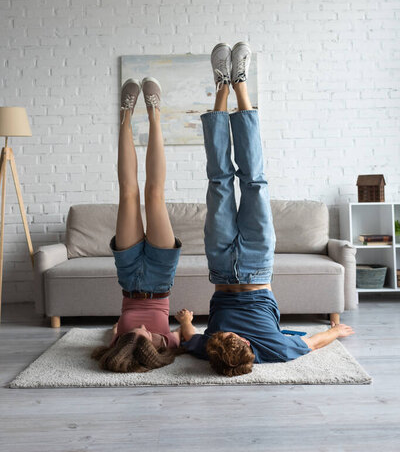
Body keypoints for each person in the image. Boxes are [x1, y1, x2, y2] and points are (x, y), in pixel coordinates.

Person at [175, 42, 355, 377]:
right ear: (248, 348)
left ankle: (221, 87)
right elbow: (313, 343)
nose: (234, 334)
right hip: (258, 265)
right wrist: (335, 331)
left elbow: (189, 340)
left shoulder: (211, 349)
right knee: (254, 181)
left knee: (219, 182)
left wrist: (185, 322)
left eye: (226, 336)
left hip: (221, 265)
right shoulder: (274, 351)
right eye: (238, 339)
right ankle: (240, 83)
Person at [91, 77, 183, 373]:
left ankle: (126, 116)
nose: (140, 327)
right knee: (154, 194)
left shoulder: (119, 337)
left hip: (129, 275)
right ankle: (155, 112)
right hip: (160, 277)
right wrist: (187, 324)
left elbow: (112, 332)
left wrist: (122, 336)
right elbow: (189, 336)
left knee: (128, 194)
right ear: (150, 345)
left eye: (134, 332)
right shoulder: (166, 343)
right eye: (143, 333)